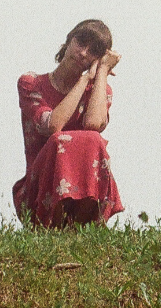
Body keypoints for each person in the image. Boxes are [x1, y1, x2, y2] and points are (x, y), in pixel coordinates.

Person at [12, 19, 124, 228]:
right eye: (80, 42)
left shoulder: (100, 92)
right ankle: (54, 226)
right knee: (60, 140)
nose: (83, 53)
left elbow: (94, 125)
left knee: (93, 139)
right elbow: (53, 125)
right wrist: (84, 80)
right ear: (69, 40)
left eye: (93, 51)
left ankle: (80, 226)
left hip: (86, 197)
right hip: (38, 192)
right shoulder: (31, 83)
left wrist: (101, 72)